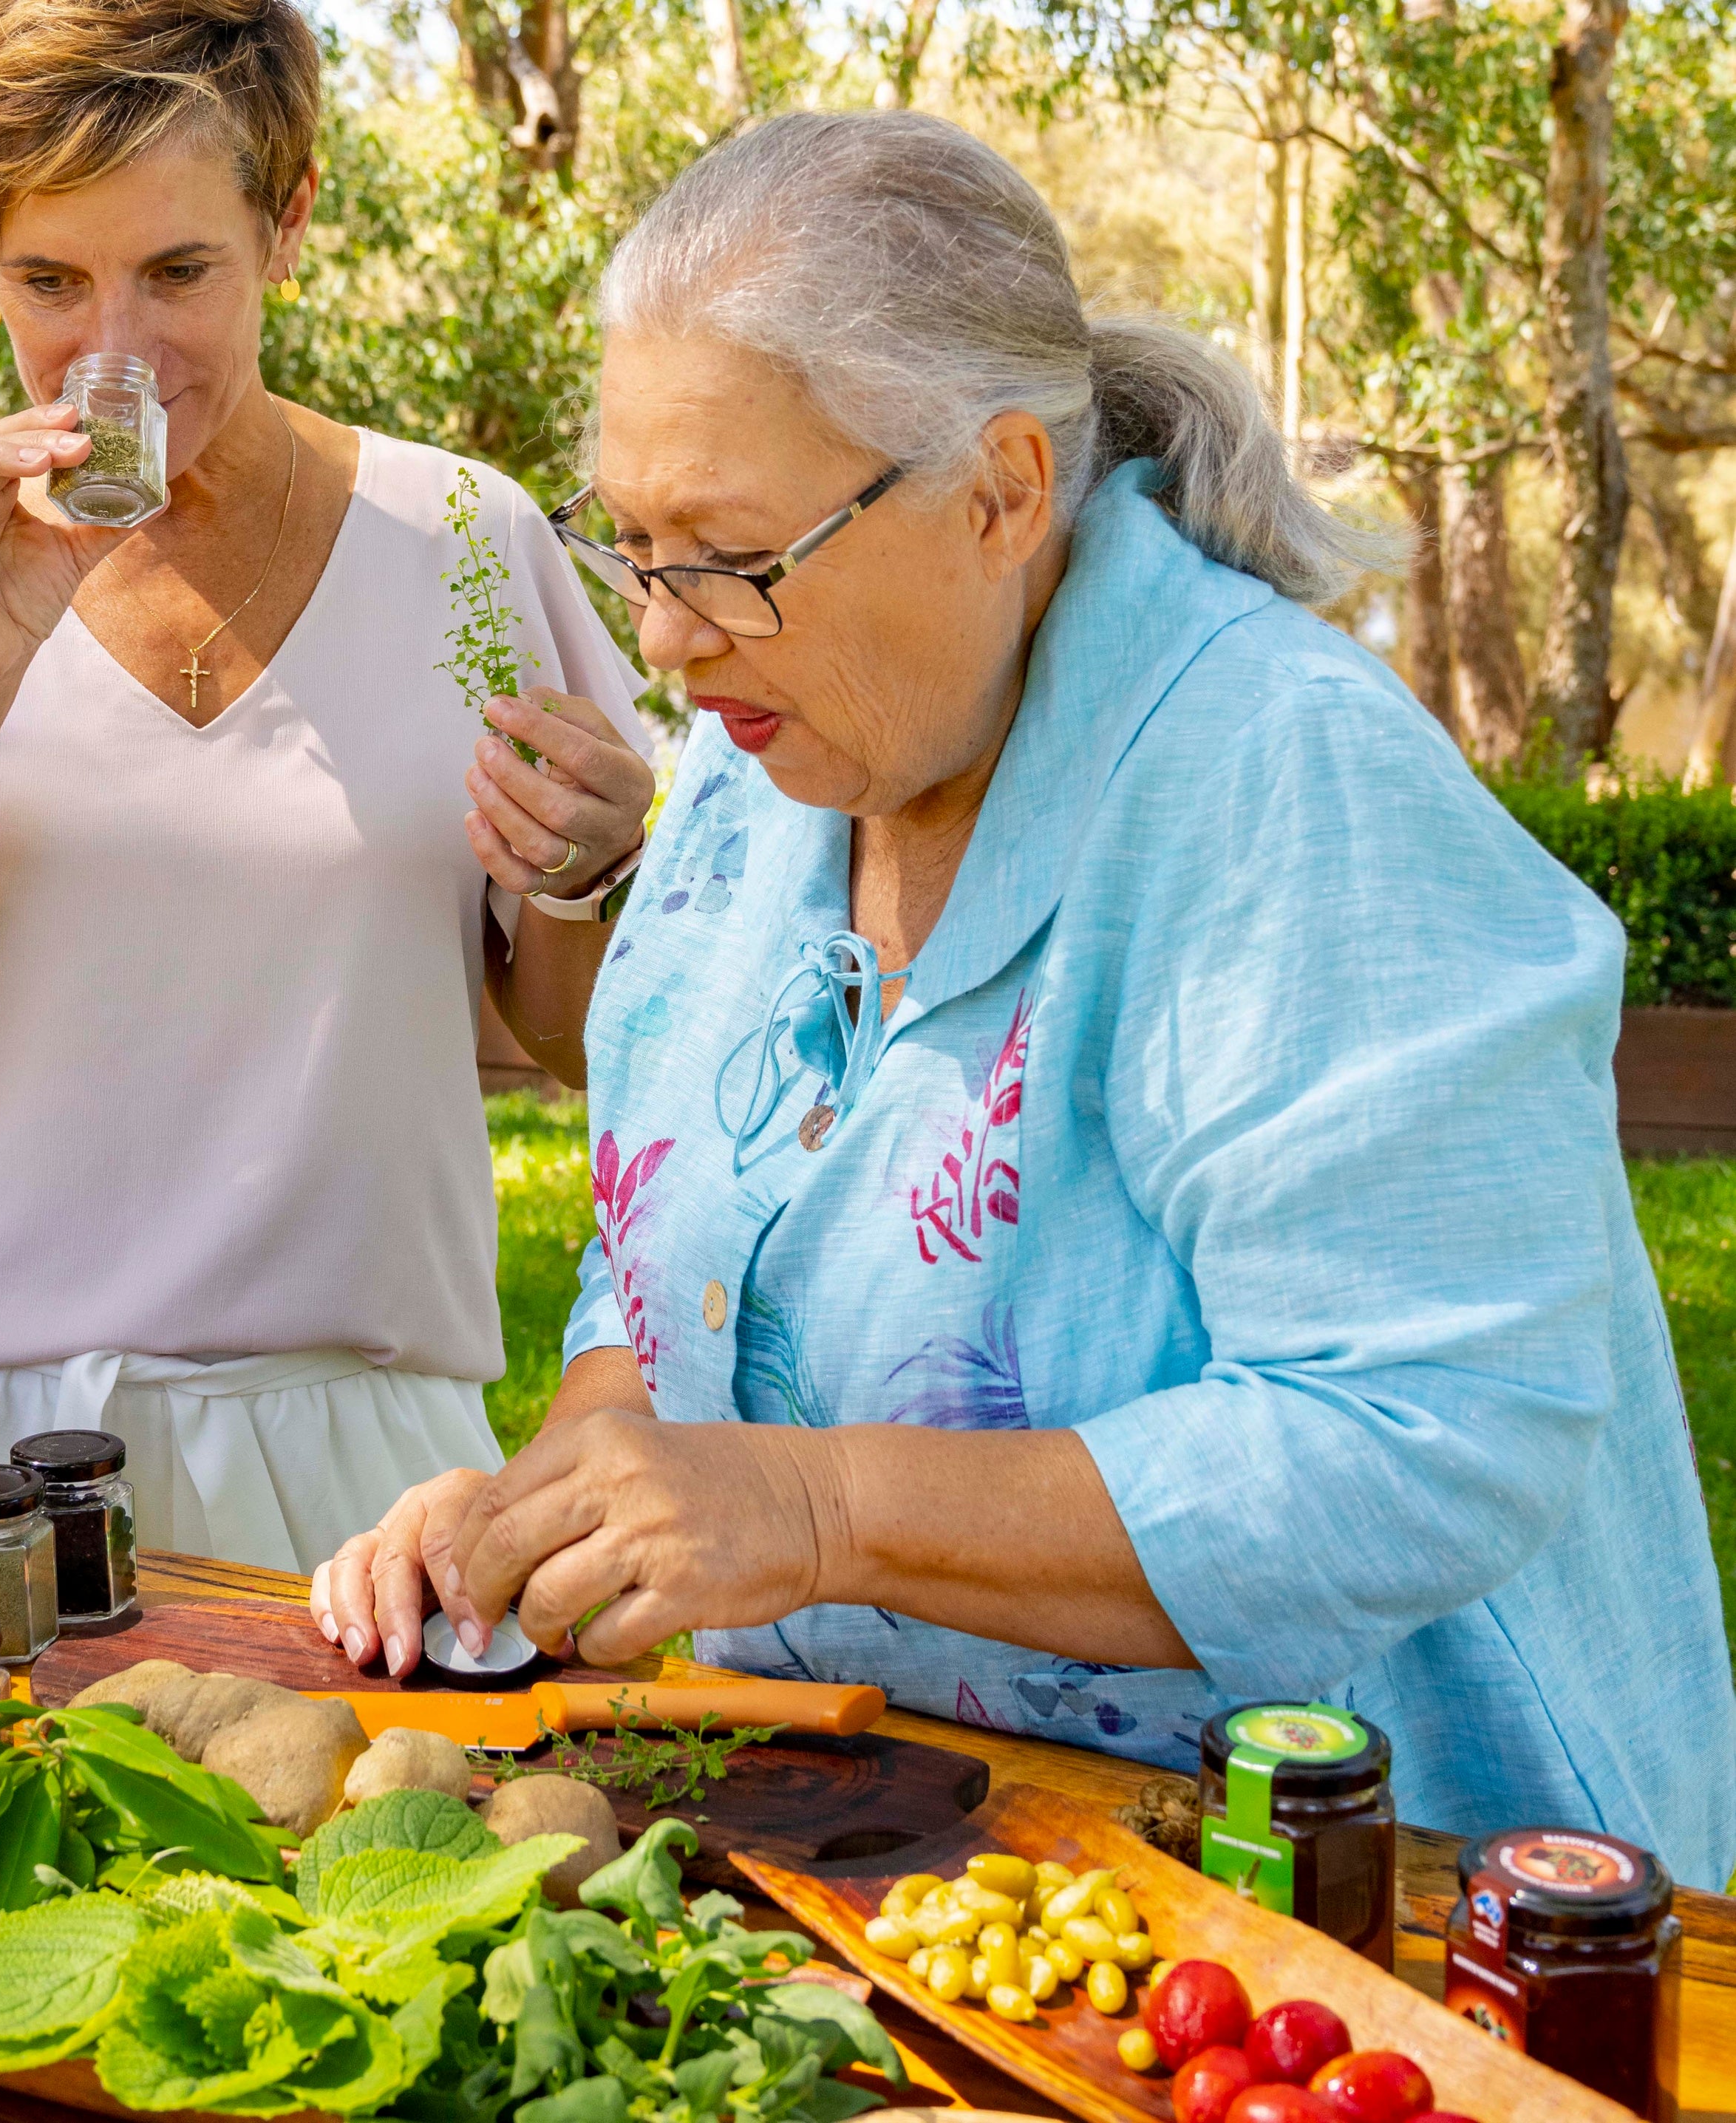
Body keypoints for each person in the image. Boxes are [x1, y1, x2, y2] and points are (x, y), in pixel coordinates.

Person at [315, 110, 1736, 1880]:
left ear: (1000, 491)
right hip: (893, 1860)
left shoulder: (1288, 788)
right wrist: (550, 1506)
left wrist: (823, 1506)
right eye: (632, 545)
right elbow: (656, 1253)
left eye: (730, 557)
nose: (667, 641)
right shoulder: (760, 777)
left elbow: (1424, 1432)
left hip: (1370, 1921)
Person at [0, 0, 656, 1572]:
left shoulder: (470, 544)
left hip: (367, 1472)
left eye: (179, 272)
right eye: (50, 281)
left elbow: (557, 1031)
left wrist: (579, 874)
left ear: (289, 225)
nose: (113, 352)